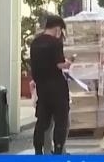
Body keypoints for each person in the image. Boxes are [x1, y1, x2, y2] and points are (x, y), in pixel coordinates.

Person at [30, 15, 73, 155]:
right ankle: (58, 150)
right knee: (61, 120)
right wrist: (68, 63)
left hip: (41, 86)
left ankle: (38, 150)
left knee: (42, 120)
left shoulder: (35, 42)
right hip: (57, 86)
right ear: (57, 28)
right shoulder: (55, 43)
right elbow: (60, 64)